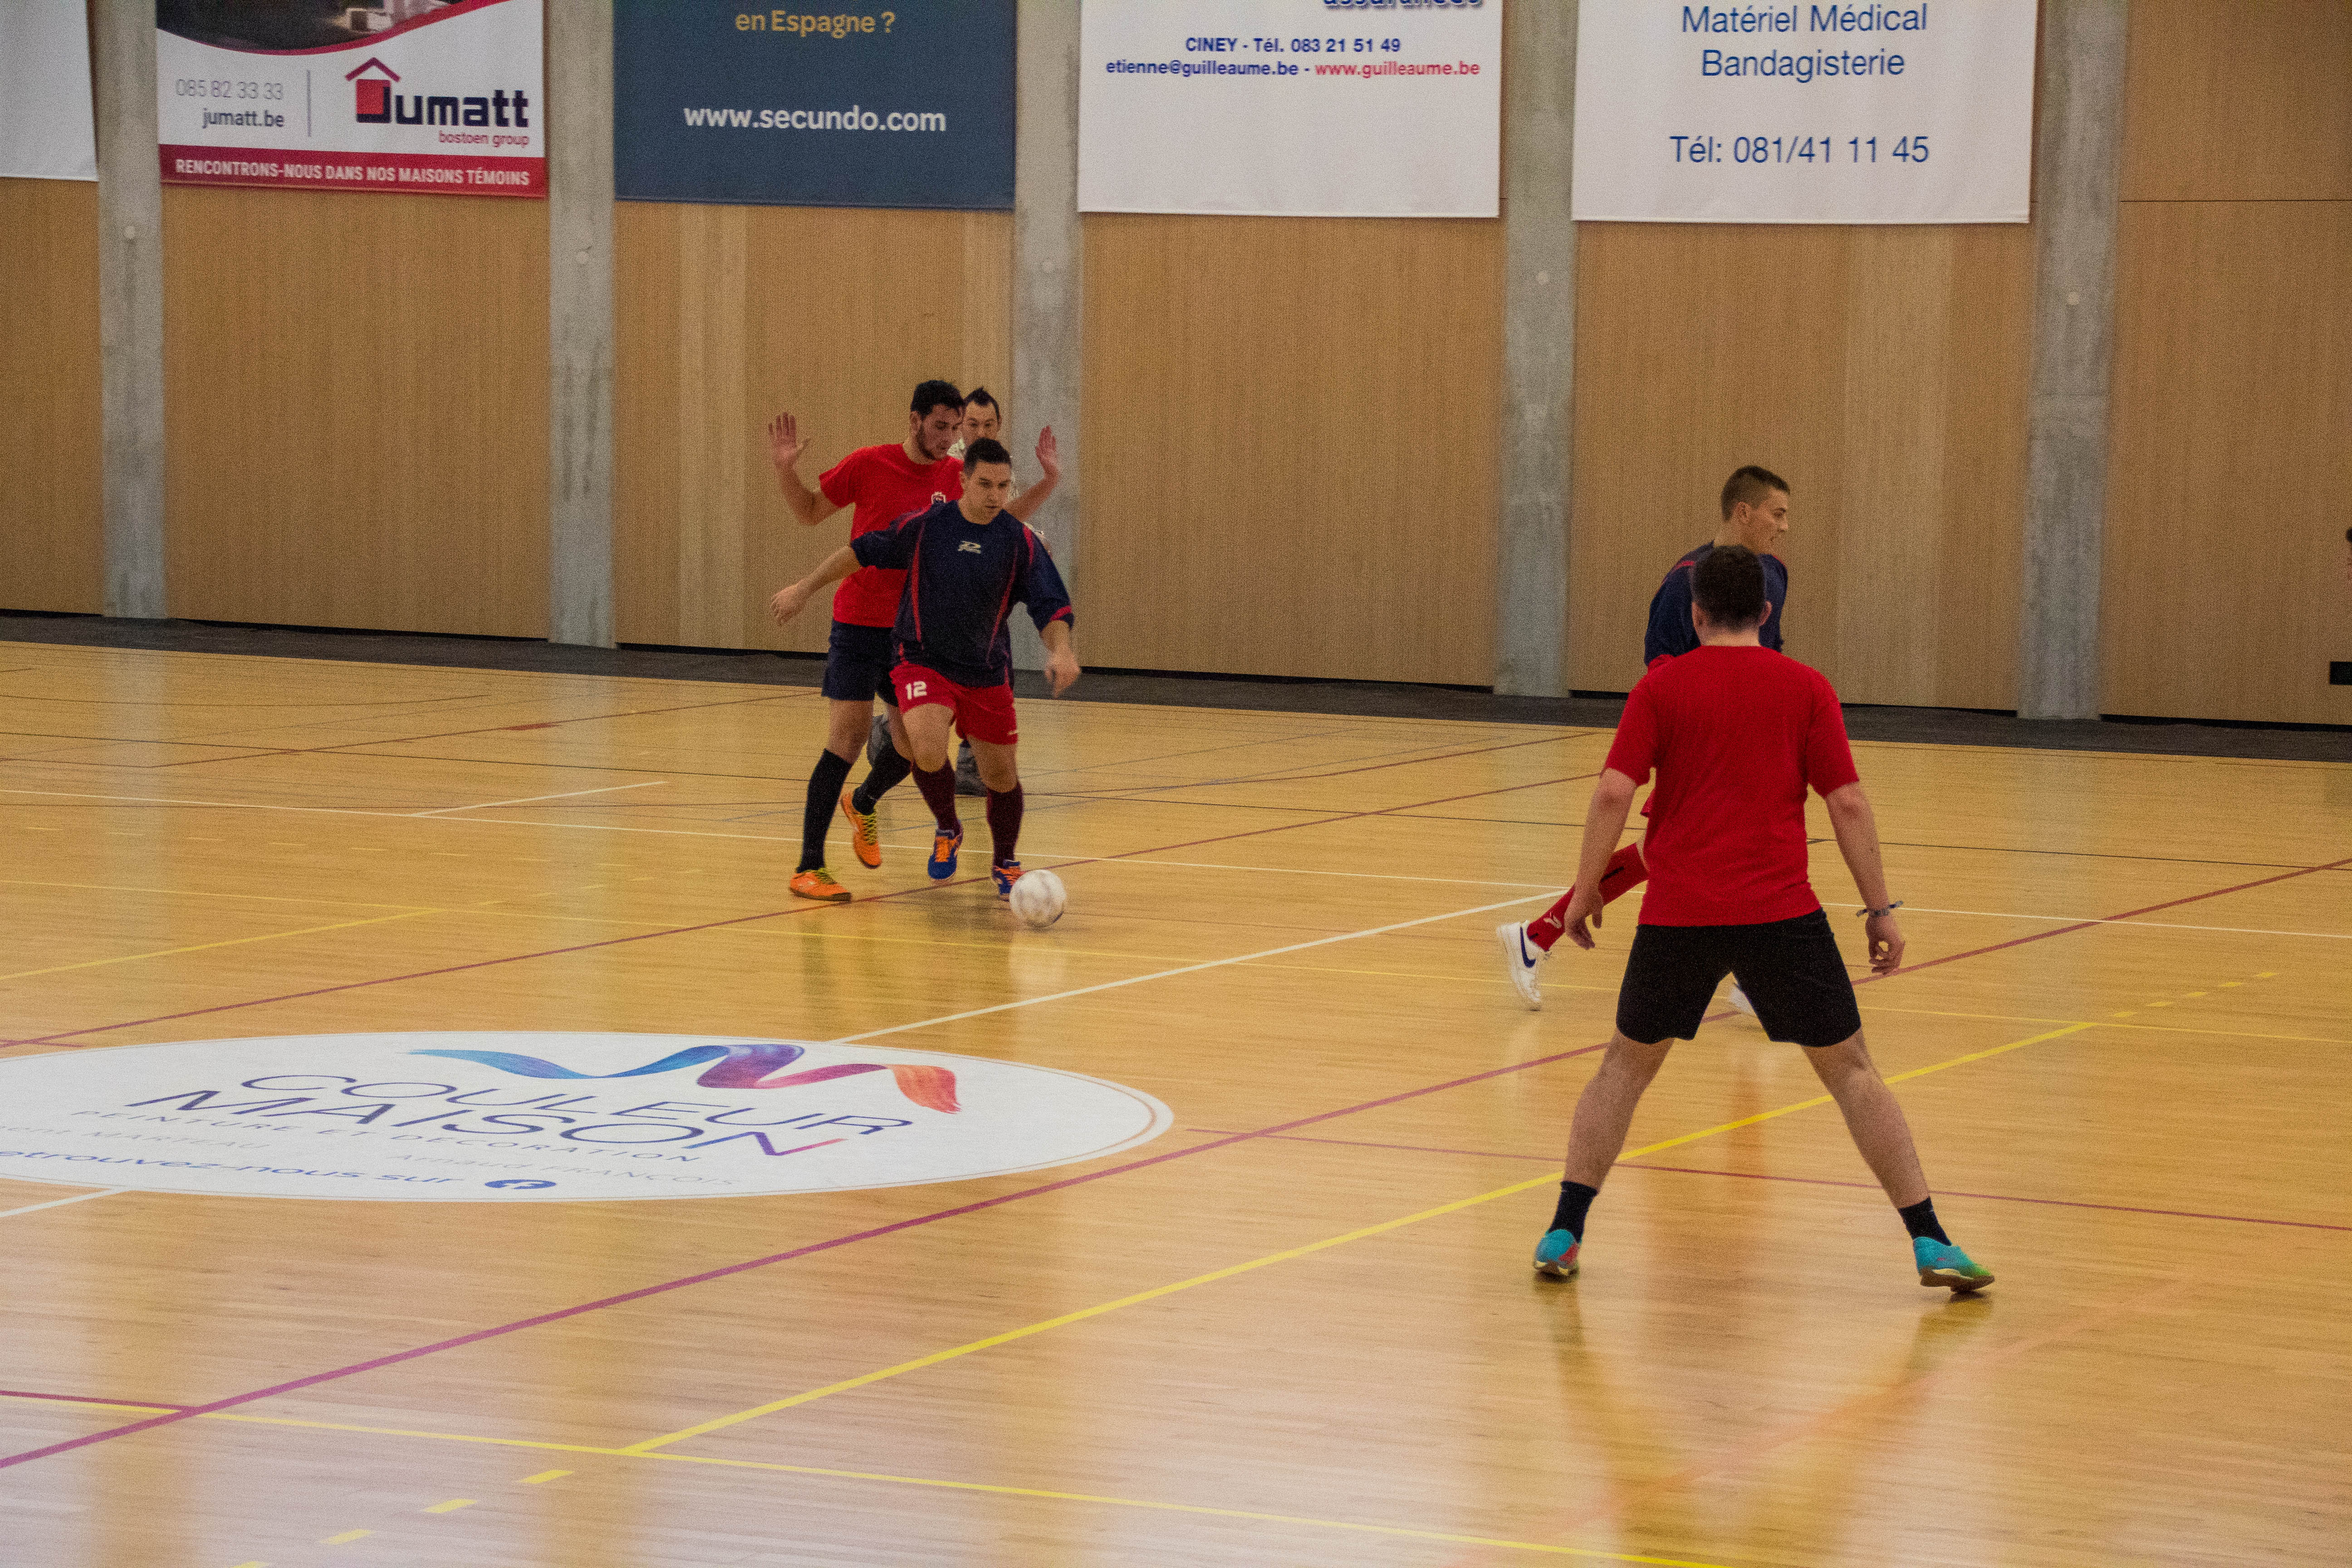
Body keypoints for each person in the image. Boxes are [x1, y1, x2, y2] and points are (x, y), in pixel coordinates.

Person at [1527, 545, 1992, 1294]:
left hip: (1678, 913)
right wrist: (1879, 910)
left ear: (1695, 613)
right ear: (1767, 612)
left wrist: (1584, 892)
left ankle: (1564, 1229)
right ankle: (1930, 1240)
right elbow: (1846, 802)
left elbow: (1614, 791)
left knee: (1623, 1068)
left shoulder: (1660, 687)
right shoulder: (1805, 687)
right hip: (1780, 914)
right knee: (1851, 1072)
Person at [1497, 465, 1794, 1013]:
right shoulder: (1684, 581)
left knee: (1680, 854)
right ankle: (1538, 935)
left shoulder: (1774, 574)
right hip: (1699, 745)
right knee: (1689, 854)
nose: (1784, 526)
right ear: (1743, 512)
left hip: (1745, 743)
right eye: (1777, 514)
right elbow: (1660, 669)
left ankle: (1536, 936)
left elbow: (1765, 656)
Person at [767, 384, 1059, 902]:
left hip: (916, 635)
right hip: (860, 622)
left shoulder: (959, 474)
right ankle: (809, 866)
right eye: (941, 427)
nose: (950, 438)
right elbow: (810, 512)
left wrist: (1049, 485)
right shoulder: (869, 463)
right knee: (847, 739)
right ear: (915, 421)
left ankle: (865, 801)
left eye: (956, 428)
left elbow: (1003, 516)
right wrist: (786, 472)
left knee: (915, 746)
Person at [882, 385, 1016, 796]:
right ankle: (892, 728)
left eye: (988, 425)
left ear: (999, 425)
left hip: (980, 597)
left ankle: (972, 756)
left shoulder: (999, 468)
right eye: (971, 424)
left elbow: (1006, 522)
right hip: (932, 603)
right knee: (923, 733)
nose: (979, 432)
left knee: (995, 662)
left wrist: (1048, 484)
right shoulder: (949, 464)